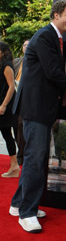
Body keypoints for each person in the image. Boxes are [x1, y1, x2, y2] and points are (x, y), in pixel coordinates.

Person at [9, 0, 66, 234]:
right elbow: (53, 73)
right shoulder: (46, 36)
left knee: (34, 158)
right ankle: (27, 213)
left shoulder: (52, 37)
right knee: (35, 161)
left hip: (39, 109)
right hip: (35, 109)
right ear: (56, 15)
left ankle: (18, 204)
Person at [0, 42, 19, 178]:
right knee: (7, 134)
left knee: (7, 134)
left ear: (4, 52)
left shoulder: (7, 66)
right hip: (1, 103)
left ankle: (14, 166)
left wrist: (4, 105)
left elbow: (12, 87)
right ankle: (14, 166)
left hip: (4, 105)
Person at [13, 39, 29, 165]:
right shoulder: (16, 61)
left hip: (26, 100)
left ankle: (21, 155)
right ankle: (20, 152)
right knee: (15, 127)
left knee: (21, 126)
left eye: (29, 45)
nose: (26, 47)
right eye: (24, 45)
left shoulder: (35, 62)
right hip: (13, 98)